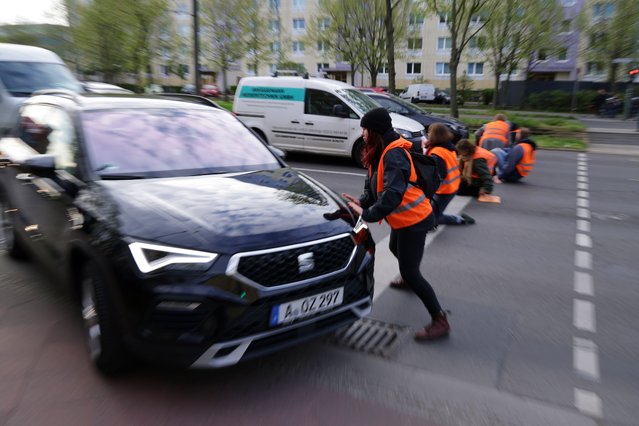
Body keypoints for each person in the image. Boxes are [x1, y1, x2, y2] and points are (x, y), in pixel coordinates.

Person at [342, 107, 450, 341]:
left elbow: (392, 194)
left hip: (415, 219)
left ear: (375, 131)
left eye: (365, 129)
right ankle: (410, 278)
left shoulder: (394, 154)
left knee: (410, 271)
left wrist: (367, 213)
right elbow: (373, 188)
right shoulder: (379, 151)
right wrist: (359, 202)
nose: (362, 133)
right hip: (402, 219)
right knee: (393, 249)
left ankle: (440, 319)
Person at [426, 123, 474, 225]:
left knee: (433, 219)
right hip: (451, 187)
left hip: (445, 190)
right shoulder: (448, 147)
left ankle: (460, 219)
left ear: (435, 135)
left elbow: (440, 175)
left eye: (429, 132)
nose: (428, 134)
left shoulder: (437, 152)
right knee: (431, 214)